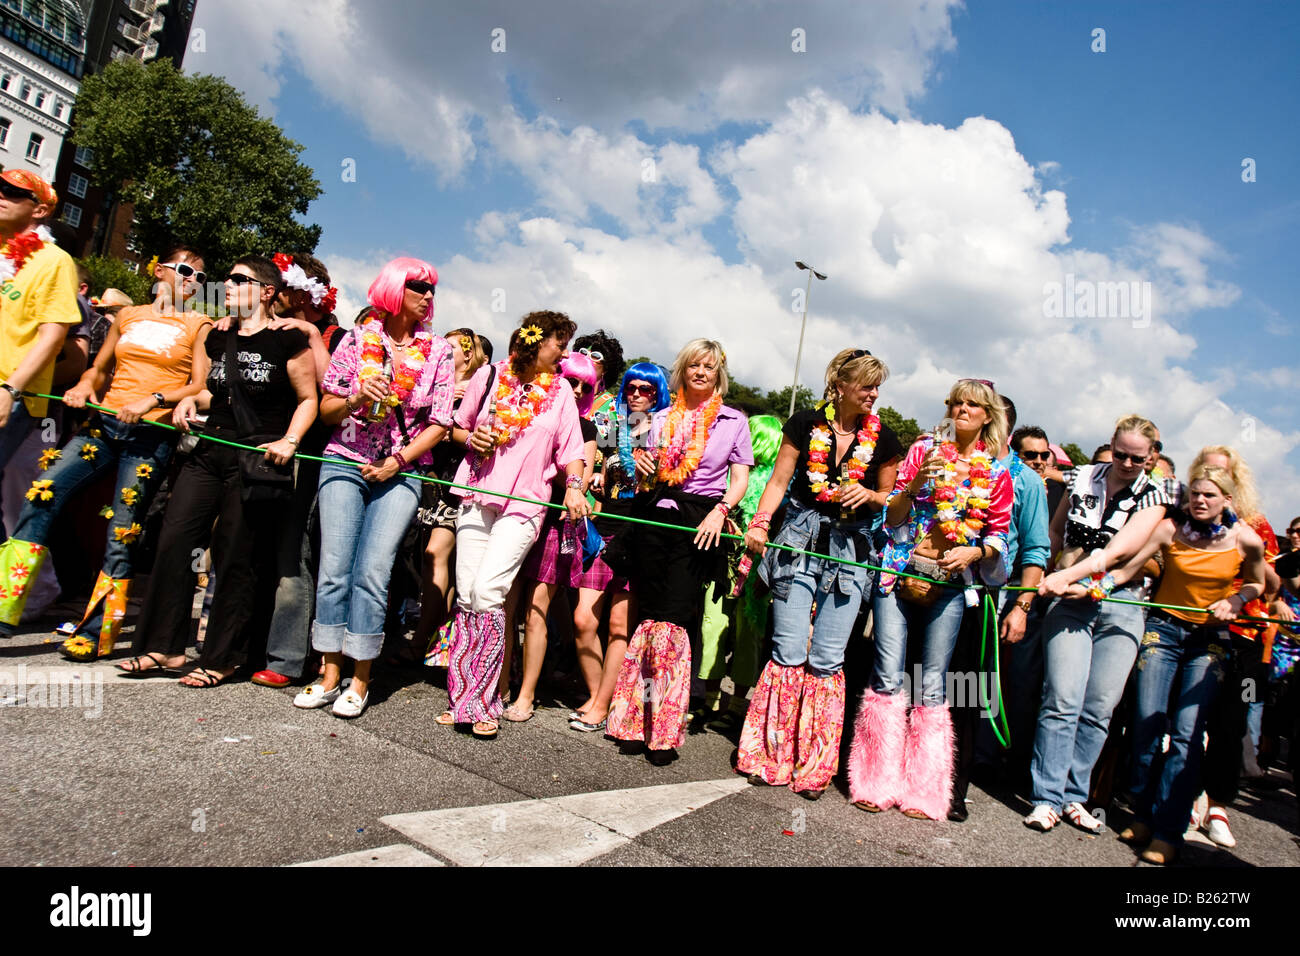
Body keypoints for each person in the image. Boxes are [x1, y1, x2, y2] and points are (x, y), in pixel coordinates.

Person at [0, 246, 212, 661]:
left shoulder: (198, 323)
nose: (192, 281)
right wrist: (84, 386)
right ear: (159, 269)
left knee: (123, 532)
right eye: (185, 271)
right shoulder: (128, 316)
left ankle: (97, 633)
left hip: (151, 435)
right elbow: (99, 368)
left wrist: (153, 400)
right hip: (104, 424)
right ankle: (7, 602)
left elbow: (200, 386)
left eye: (200, 278)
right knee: (42, 492)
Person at [120, 256, 318, 685]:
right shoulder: (216, 336)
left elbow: (308, 399)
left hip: (256, 458)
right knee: (174, 539)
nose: (226, 285)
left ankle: (224, 656)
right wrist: (188, 402)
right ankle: (163, 647)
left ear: (266, 291)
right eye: (226, 278)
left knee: (235, 554)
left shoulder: (287, 341)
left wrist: (290, 441)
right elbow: (212, 392)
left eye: (238, 279)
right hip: (208, 450)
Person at [1073, 465, 1266, 864]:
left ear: (1227, 501)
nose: (1199, 500)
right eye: (1195, 493)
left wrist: (1236, 600)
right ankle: (1144, 815)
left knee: (1186, 735)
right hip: (1163, 631)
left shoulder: (1247, 540)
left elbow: (1258, 583)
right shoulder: (1168, 530)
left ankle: (1168, 831)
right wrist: (1093, 587)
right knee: (1146, 725)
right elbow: (1127, 568)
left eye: (1210, 496)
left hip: (1208, 642)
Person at [290, 259, 455, 717]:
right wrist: (358, 397)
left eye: (432, 287)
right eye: (418, 285)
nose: (428, 294)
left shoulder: (439, 350)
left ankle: (361, 679)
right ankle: (328, 672)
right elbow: (326, 409)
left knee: (374, 570)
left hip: (401, 470)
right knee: (334, 567)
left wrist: (396, 462)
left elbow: (442, 421)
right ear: (394, 288)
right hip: (344, 460)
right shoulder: (357, 339)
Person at [738, 350, 903, 797]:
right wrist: (759, 522)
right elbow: (777, 481)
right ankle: (771, 753)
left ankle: (814, 764)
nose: (873, 394)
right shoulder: (805, 424)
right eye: (866, 385)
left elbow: (894, 502)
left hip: (851, 549)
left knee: (828, 658)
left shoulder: (884, 439)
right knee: (788, 649)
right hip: (799, 539)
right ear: (840, 384)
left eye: (877, 387)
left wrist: (869, 494)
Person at [847, 379, 1012, 820]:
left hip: (952, 582)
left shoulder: (996, 474)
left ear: (987, 416)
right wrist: (916, 481)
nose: (961, 410)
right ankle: (872, 782)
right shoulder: (923, 449)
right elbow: (893, 515)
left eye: (971, 405)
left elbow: (1000, 537)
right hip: (899, 571)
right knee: (887, 672)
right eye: (956, 402)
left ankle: (923, 793)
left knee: (933, 682)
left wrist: (975, 550)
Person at [437, 311, 588, 739]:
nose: (564, 352)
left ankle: (487, 702)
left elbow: (571, 451)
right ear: (536, 341)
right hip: (476, 495)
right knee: (466, 593)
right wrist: (472, 439)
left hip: (525, 504)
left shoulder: (559, 392)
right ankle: (461, 698)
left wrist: (574, 486)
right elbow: (456, 429)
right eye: (560, 342)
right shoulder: (489, 375)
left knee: (489, 591)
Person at [606, 338, 752, 765]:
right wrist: (640, 462)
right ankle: (635, 720)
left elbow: (739, 480)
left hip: (699, 522)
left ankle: (665, 724)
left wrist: (721, 511)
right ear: (683, 371)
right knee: (649, 616)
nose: (701, 372)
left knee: (675, 617)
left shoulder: (733, 420)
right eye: (694, 365)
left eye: (709, 367)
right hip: (652, 515)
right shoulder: (657, 416)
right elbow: (624, 458)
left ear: (719, 373)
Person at [1028, 414, 1172, 832]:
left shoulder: (1155, 492)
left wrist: (1068, 578)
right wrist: (1048, 573)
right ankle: (1046, 796)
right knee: (1062, 698)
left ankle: (1076, 795)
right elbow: (1056, 531)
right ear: (1111, 444)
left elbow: (1119, 551)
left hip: (1121, 600)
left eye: (1138, 458)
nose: (1128, 464)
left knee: (1098, 708)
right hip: (1067, 599)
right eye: (1122, 454)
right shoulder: (1082, 476)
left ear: (1151, 457)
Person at [246, 252, 345, 689]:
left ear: (301, 293)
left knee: (298, 555)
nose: (271, 294)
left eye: (278, 286)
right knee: (257, 551)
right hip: (261, 453)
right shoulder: (264, 332)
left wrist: (312, 336)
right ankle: (247, 646)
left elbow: (334, 397)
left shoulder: (340, 337)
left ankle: (289, 658)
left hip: (313, 458)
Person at [568, 361, 671, 732]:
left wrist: (653, 472)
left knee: (616, 625)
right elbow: (602, 466)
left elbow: (669, 486)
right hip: (606, 525)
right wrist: (597, 473)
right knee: (582, 619)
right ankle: (603, 698)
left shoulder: (666, 432)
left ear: (659, 393)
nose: (638, 395)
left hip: (639, 530)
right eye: (631, 388)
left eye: (647, 389)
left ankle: (597, 706)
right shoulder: (613, 427)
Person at [505, 351, 601, 721]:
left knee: (536, 610)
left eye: (585, 386)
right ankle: (500, 685)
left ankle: (526, 695)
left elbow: (579, 475)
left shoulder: (587, 429)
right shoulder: (531, 409)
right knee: (506, 603)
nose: (576, 390)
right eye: (571, 380)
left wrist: (555, 457)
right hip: (521, 509)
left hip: (559, 521)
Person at [696, 412, 786, 735]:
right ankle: (709, 699)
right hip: (722, 566)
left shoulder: (778, 488)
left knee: (748, 636)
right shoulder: (731, 475)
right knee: (712, 627)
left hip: (757, 574)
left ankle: (735, 707)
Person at [0, 171, 80, 522]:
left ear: (40, 210)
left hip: (9, 389)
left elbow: (53, 336)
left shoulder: (54, 261)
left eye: (14, 192)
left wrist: (10, 390)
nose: (1, 194)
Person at [415, 328, 488, 656]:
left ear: (469, 354)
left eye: (452, 346)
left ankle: (421, 642)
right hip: (431, 475)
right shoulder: (434, 382)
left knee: (437, 554)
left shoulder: (481, 387)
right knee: (436, 560)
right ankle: (440, 645)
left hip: (461, 479)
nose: (441, 350)